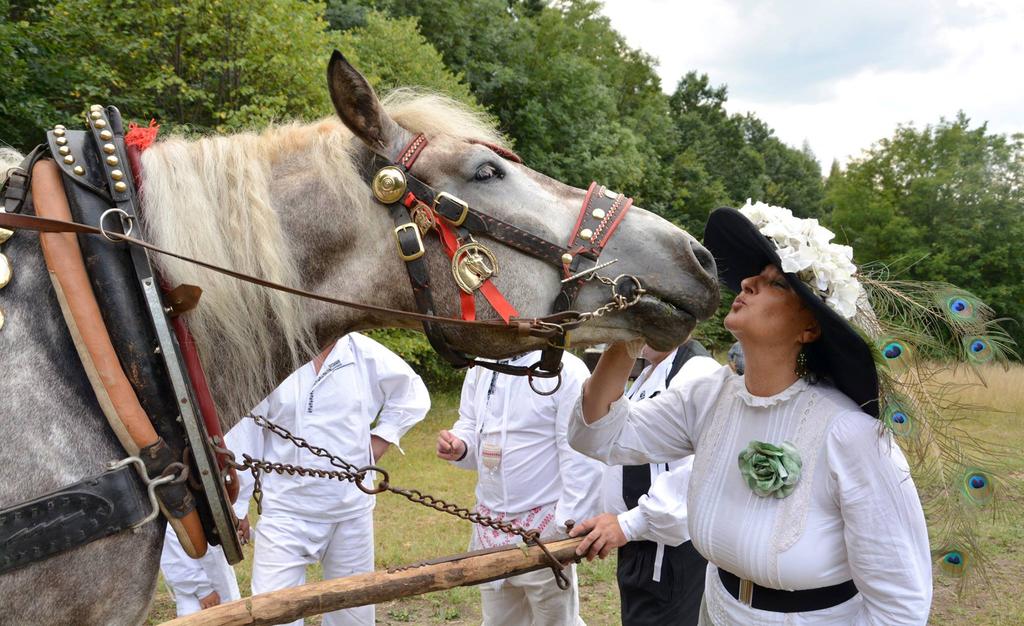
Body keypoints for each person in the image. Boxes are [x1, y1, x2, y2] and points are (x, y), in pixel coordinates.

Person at [569, 202, 933, 624]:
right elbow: (599, 434)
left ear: (810, 328)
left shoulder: (851, 435)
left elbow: (900, 601)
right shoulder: (708, 395)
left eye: (774, 283)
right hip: (717, 608)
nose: (745, 283)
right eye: (752, 276)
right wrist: (632, 332)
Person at [229, 331, 430, 626]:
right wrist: (238, 507)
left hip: (351, 513)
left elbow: (411, 392)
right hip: (286, 513)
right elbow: (245, 434)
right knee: (272, 615)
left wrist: (378, 443)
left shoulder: (363, 353)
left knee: (354, 616)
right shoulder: (270, 356)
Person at [435, 350, 603, 626]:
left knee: (556, 621)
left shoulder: (565, 370)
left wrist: (566, 531)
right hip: (490, 529)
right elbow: (470, 424)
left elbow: (580, 456)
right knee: (499, 620)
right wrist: (461, 446)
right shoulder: (482, 364)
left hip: (545, 530)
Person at [573, 338, 719, 626]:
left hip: (668, 551)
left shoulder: (697, 371)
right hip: (640, 544)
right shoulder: (651, 371)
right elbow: (605, 438)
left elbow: (698, 475)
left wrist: (630, 524)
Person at [159, 524, 241, 617]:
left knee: (232, 613)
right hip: (200, 588)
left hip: (216, 572)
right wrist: (203, 590)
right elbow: (172, 552)